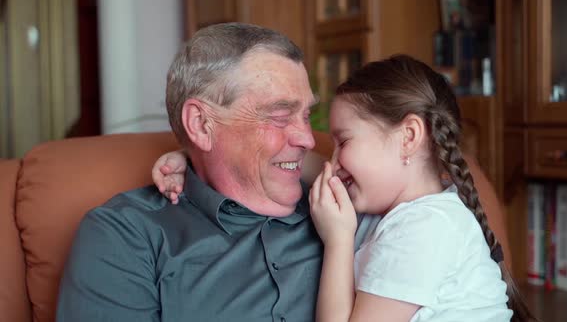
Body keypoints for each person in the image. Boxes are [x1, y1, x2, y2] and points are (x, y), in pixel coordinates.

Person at [155, 55, 536, 321]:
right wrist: (192, 157)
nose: (333, 161)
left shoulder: (423, 229)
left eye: (344, 141)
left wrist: (338, 240)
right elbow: (295, 163)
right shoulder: (396, 205)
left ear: (409, 137)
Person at [57, 22, 381, 322]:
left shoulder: (348, 204)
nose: (307, 138)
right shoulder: (126, 235)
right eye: (280, 116)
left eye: (306, 115)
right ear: (201, 124)